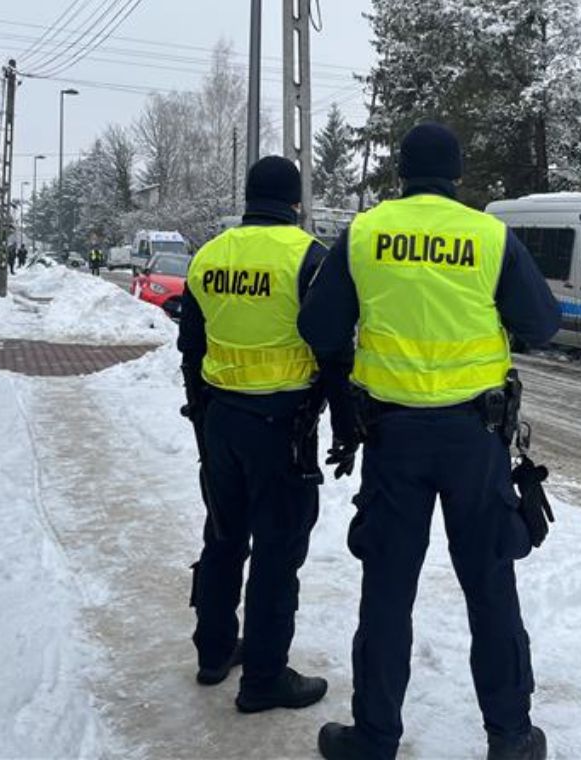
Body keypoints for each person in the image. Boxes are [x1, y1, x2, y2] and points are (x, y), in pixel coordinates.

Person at [299, 122, 560, 760]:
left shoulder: (363, 234)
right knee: (490, 585)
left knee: (387, 589)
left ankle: (374, 736)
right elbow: (543, 324)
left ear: (401, 172)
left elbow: (318, 326)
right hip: (476, 440)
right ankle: (510, 737)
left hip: (392, 438)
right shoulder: (488, 235)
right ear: (458, 172)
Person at [177, 156, 353, 714]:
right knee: (278, 552)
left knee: (224, 536)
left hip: (222, 422)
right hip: (284, 428)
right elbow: (332, 352)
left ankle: (213, 652)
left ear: (249, 198)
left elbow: (191, 350)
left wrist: (203, 420)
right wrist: (347, 426)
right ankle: (265, 679)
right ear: (295, 202)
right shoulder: (309, 258)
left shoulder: (209, 255)